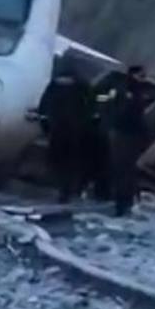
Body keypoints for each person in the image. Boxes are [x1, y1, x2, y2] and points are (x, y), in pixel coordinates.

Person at [37, 58, 96, 203]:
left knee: (57, 158)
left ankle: (59, 186)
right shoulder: (83, 84)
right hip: (76, 129)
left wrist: (45, 125)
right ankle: (67, 190)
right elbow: (92, 106)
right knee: (72, 161)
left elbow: (44, 105)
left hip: (57, 127)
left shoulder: (55, 83)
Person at [105, 66, 148, 216]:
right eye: (141, 75)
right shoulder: (127, 90)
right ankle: (122, 201)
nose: (144, 77)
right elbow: (119, 109)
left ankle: (124, 200)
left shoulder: (136, 91)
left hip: (127, 132)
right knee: (123, 168)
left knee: (126, 168)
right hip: (124, 132)